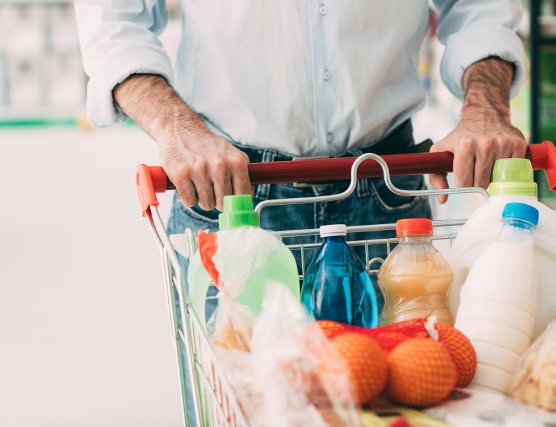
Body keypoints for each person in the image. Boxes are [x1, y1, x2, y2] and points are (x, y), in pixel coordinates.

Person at [75, 0, 527, 423]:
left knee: (409, 406)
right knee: (242, 409)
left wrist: (486, 107)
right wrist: (175, 127)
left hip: (388, 196)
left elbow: (478, 7)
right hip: (232, 199)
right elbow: (113, 19)